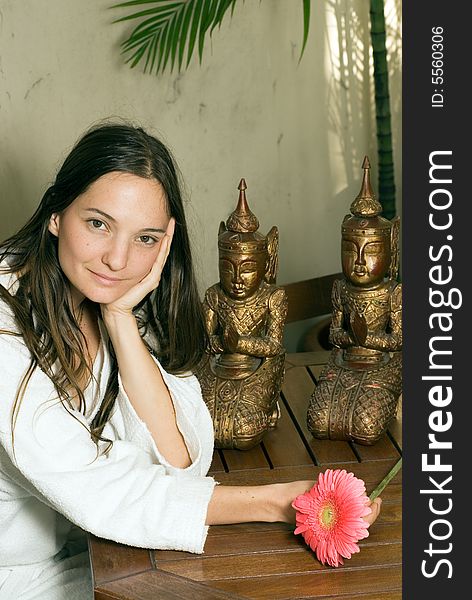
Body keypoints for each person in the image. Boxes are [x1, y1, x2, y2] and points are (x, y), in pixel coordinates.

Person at [0, 123, 381, 599]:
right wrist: (277, 502)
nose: (118, 259)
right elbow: (101, 489)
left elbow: (181, 460)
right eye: (98, 224)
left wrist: (118, 320)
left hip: (95, 553)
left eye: (145, 238)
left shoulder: (119, 303)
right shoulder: (5, 328)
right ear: (56, 215)